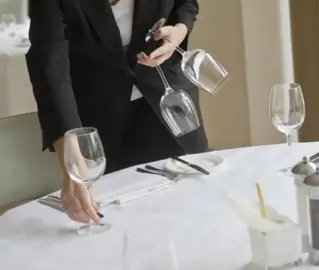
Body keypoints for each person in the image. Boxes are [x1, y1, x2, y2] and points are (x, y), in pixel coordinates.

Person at [26, 0, 208, 224]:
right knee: (117, 224)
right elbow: (49, 65)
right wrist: (70, 160)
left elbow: (186, 3)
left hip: (166, 106)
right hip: (101, 119)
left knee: (189, 211)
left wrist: (179, 30)